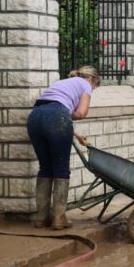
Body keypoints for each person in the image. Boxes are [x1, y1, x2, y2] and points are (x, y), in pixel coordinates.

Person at [27, 66, 100, 230]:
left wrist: (73, 132)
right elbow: (80, 113)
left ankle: (41, 217)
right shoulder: (86, 84)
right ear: (92, 80)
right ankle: (59, 218)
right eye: (95, 87)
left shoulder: (63, 83)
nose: (92, 90)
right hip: (57, 118)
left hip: (35, 117)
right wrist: (67, 118)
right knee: (60, 169)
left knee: (45, 168)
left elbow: (52, 110)